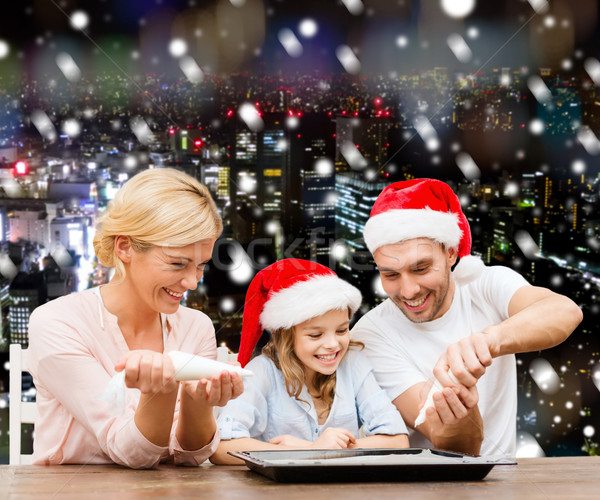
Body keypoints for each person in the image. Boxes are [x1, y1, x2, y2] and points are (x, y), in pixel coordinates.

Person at [27, 168, 244, 469]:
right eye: (178, 264)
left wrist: (199, 403)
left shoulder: (197, 327)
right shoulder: (57, 323)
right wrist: (162, 389)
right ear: (125, 247)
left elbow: (191, 456)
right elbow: (131, 452)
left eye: (200, 266)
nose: (193, 282)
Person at [351, 178, 583, 457]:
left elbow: (565, 311)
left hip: (504, 487)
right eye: (390, 275)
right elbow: (452, 447)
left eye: (422, 268)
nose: (409, 290)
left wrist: (488, 341)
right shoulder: (369, 336)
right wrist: (461, 409)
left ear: (450, 252)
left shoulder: (486, 285)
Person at [210, 259, 409, 464]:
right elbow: (222, 448)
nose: (333, 344)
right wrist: (314, 449)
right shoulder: (262, 371)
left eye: (341, 330)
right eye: (315, 335)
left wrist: (320, 450)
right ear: (286, 336)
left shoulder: (354, 364)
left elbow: (398, 441)